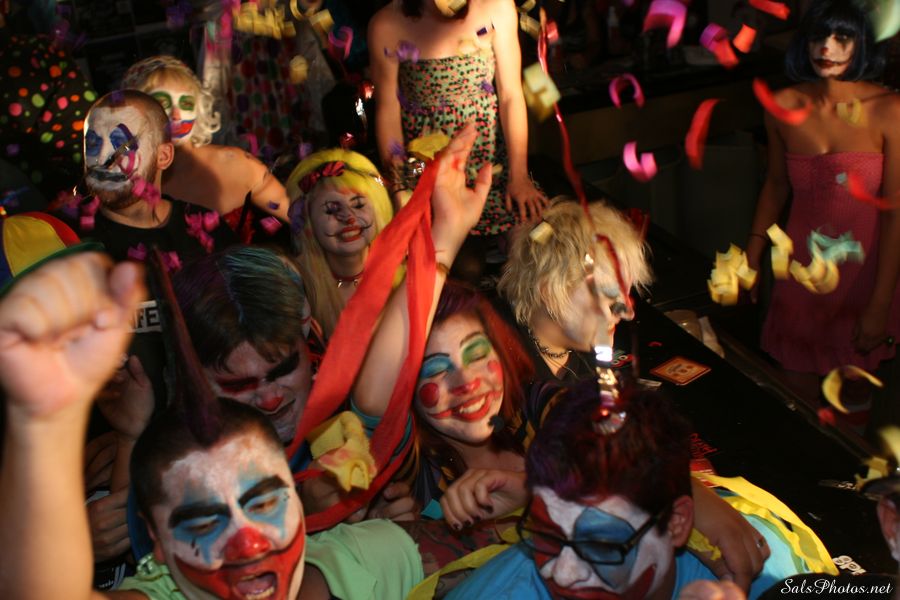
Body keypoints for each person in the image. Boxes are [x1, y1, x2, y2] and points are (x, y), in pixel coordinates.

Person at [0, 252, 424, 600]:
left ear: (307, 336)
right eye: (237, 383)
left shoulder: (352, 436)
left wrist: (385, 523)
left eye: (282, 370)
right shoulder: (169, 467)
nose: (271, 399)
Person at [446, 384, 824, 599]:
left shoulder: (766, 579)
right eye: (545, 536)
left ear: (677, 524)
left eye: (601, 546)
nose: (563, 573)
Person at [746, 0, 900, 409]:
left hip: (864, 277)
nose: (826, 48)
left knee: (853, 396)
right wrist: (751, 256)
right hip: (799, 275)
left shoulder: (889, 110)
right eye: (818, 37)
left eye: (841, 37)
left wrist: (881, 303)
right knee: (795, 396)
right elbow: (775, 186)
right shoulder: (782, 105)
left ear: (861, 44)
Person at [369, 0, 547, 232]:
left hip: (493, 168)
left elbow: (510, 95)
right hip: (429, 176)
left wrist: (519, 176)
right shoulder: (386, 24)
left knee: (535, 235)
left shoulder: (498, 6)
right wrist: (401, 190)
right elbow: (388, 111)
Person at [121, 55, 290, 242]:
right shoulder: (123, 186)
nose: (176, 115)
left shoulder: (236, 164)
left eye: (186, 103)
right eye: (163, 102)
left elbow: (302, 220)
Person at [498, 199, 652, 383]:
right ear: (550, 294)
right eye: (610, 297)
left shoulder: (588, 356)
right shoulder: (497, 368)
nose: (629, 313)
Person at [285, 149, 396, 337]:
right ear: (308, 222)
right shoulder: (298, 290)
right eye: (330, 210)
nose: (348, 217)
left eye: (358, 205)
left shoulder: (405, 278)